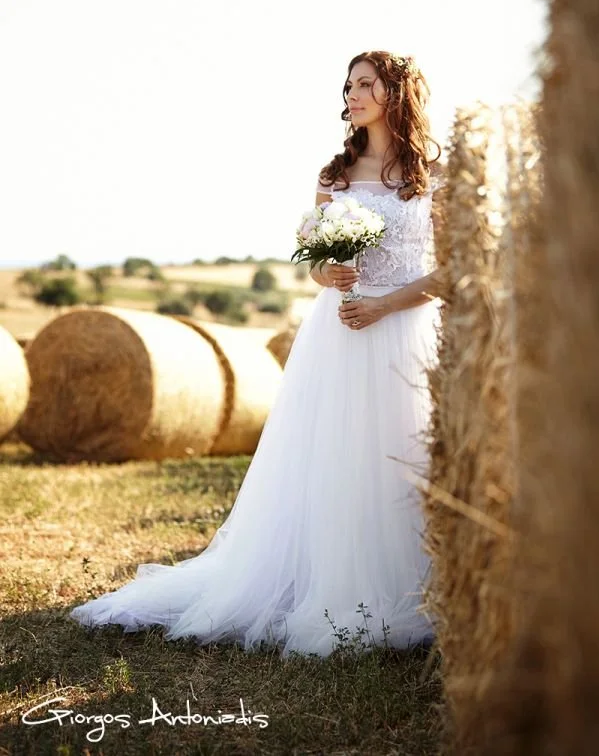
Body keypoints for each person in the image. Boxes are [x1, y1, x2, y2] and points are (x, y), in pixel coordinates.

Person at [70, 50, 446, 659]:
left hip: (405, 327)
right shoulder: (334, 175)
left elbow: (450, 271)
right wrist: (334, 275)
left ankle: (419, 583)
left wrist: (384, 304)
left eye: (364, 85)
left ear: (396, 94)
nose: (350, 95)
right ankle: (329, 583)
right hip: (341, 330)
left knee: (405, 452)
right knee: (335, 457)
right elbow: (320, 268)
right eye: (348, 85)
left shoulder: (434, 174)